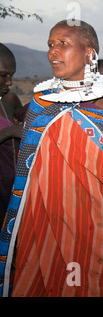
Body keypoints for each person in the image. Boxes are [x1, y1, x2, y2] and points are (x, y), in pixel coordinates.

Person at [0, 19, 103, 297]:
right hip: (46, 222)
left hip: (100, 224)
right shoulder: (43, 101)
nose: (53, 52)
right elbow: (30, 166)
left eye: (63, 44)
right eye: (50, 44)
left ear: (90, 54)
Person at [0, 43, 28, 223]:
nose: (9, 82)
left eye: (11, 75)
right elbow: (13, 130)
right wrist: (8, 132)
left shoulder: (9, 99)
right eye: (3, 75)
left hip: (13, 186)